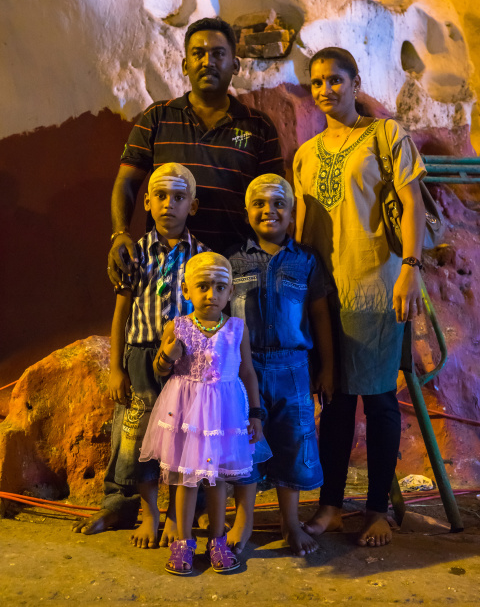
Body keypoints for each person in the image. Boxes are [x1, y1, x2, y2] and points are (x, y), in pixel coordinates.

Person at [293, 47, 426, 547]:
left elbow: (410, 203)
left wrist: (410, 269)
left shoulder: (386, 136)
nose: (326, 89)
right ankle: (330, 505)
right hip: (326, 294)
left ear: (356, 83)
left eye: (335, 80)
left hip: (376, 284)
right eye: (318, 82)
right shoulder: (305, 154)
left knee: (379, 399)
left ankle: (376, 511)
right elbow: (304, 227)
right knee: (336, 401)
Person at [73, 163, 209, 544]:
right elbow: (121, 311)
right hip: (140, 357)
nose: (169, 205)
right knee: (135, 435)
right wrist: (116, 367)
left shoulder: (202, 258)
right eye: (161, 197)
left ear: (192, 207)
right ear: (146, 202)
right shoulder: (134, 255)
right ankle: (133, 508)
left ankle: (179, 514)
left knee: (184, 436)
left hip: (187, 360)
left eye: (179, 197)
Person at [108, 15, 284, 291]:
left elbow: (274, 198)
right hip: (165, 271)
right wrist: (120, 234)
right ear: (185, 65)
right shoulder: (157, 118)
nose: (207, 62)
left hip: (235, 273)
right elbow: (126, 182)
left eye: (218, 54)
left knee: (234, 336)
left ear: (235, 65)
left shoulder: (259, 126)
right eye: (198, 54)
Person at [139, 252, 268, 575]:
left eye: (220, 287)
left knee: (218, 480)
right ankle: (182, 541)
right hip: (187, 413)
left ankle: (217, 540)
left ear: (231, 293)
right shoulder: (179, 325)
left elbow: (248, 372)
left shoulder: (237, 328)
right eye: (203, 286)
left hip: (225, 415)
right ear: (186, 290)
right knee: (186, 479)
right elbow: (160, 369)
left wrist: (255, 413)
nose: (212, 294)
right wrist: (168, 356)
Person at [225, 174, 334, 556]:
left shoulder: (306, 261)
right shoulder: (233, 261)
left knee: (293, 441)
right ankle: (245, 519)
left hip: (294, 369)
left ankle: (290, 522)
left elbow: (320, 315)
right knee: (246, 443)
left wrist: (328, 367)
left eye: (278, 204)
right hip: (244, 369)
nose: (268, 210)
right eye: (259, 203)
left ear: (291, 216)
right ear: (246, 213)